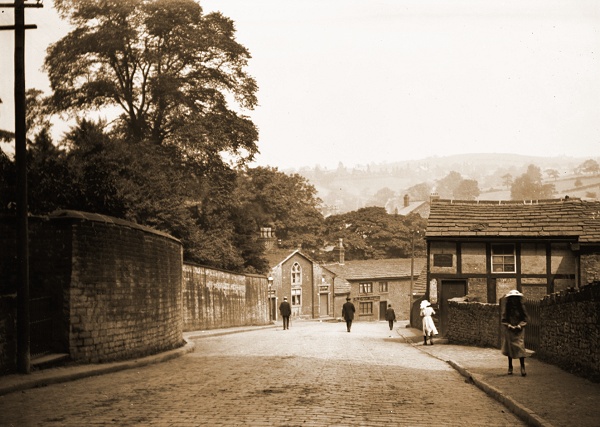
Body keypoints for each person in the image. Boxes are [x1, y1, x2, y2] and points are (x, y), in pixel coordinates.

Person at [501, 289, 529, 376]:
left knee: (520, 347)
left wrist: (520, 325)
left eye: (515, 298)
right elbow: (503, 319)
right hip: (510, 330)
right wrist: (508, 325)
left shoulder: (521, 308)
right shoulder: (507, 308)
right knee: (510, 348)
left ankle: (522, 367)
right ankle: (510, 367)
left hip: (519, 331)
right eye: (512, 298)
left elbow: (525, 319)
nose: (513, 300)